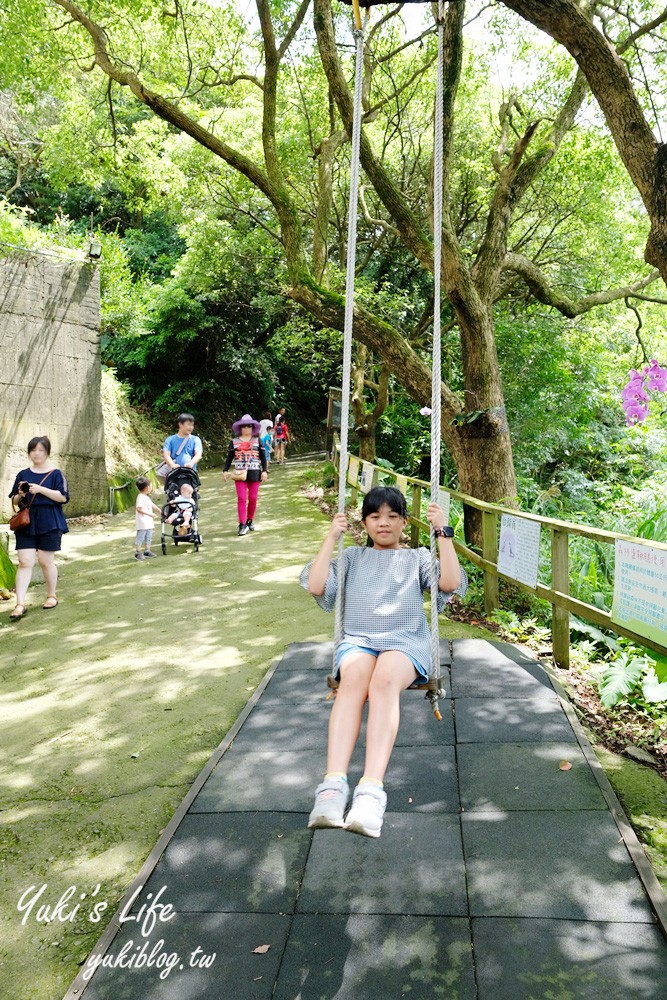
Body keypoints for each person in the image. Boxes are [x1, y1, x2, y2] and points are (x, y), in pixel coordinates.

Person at [300, 486, 466, 838]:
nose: (384, 523)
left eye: (392, 516)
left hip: (404, 642)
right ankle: (332, 787)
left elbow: (449, 582)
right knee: (355, 681)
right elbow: (316, 586)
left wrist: (444, 533)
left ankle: (370, 791)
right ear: (364, 522)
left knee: (384, 680)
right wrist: (332, 536)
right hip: (359, 640)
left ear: (404, 522)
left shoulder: (417, 557)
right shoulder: (351, 558)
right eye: (375, 517)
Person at [7, 436, 69, 620]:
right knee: (25, 562)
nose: (37, 453)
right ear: (29, 453)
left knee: (45, 560)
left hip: (50, 521)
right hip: (27, 521)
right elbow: (14, 500)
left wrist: (41, 490)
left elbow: (63, 497)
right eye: (33, 450)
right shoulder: (23, 474)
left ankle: (51, 595)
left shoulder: (56, 474)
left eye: (41, 450)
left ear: (47, 452)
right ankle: (20, 603)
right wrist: (20, 494)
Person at [222, 414, 268, 536]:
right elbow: (229, 457)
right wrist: (225, 470)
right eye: (244, 426)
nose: (247, 428)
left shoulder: (258, 441)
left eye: (249, 426)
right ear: (240, 428)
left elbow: (263, 457)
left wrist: (264, 471)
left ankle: (249, 520)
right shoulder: (234, 442)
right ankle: (242, 524)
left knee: (253, 498)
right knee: (242, 498)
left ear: (253, 428)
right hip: (239, 473)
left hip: (255, 472)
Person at [134, 477, 161, 560]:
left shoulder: (146, 497)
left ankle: (147, 550)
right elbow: (139, 509)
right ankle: (138, 552)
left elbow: (152, 505)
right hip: (143, 522)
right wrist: (150, 514)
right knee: (141, 536)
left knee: (149, 536)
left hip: (148, 522)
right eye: (151, 486)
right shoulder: (140, 497)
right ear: (147, 487)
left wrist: (159, 510)